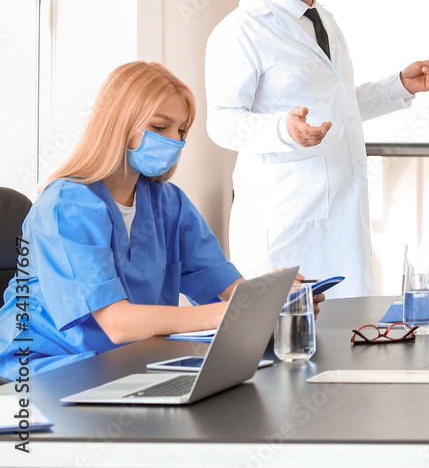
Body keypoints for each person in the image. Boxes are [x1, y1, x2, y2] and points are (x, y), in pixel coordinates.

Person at [205, 0, 429, 297]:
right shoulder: (242, 31)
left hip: (341, 224)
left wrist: (399, 85)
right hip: (285, 222)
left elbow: (338, 107)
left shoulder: (325, 22)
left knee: (350, 340)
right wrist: (283, 129)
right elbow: (222, 121)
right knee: (289, 343)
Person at [0, 62, 248, 378]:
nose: (176, 140)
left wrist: (274, 299)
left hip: (129, 362)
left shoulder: (169, 204)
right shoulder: (66, 206)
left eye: (182, 130)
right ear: (120, 124)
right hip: (44, 367)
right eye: (161, 127)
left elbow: (225, 287)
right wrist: (228, 314)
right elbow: (116, 324)